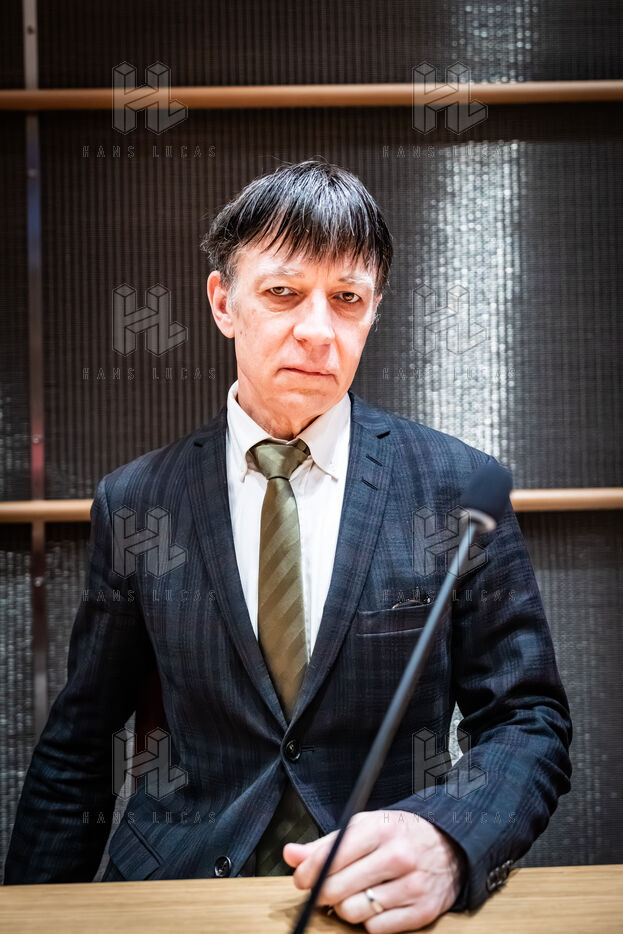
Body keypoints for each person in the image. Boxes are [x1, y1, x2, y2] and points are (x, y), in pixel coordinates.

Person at [3, 160, 572, 931]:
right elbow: (79, 743)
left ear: (373, 310)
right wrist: (27, 911)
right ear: (222, 302)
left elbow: (527, 719)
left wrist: (448, 839)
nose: (317, 330)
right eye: (282, 292)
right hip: (178, 892)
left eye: (347, 298)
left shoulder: (457, 489)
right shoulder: (138, 501)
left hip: (375, 902)